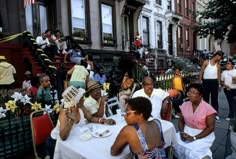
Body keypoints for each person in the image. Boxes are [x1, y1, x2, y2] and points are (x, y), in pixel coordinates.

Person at [46, 89, 116, 159]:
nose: (83, 99)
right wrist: (71, 121)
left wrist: (104, 120)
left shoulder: (81, 107)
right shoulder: (65, 113)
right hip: (56, 143)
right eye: (81, 98)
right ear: (74, 101)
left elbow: (91, 118)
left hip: (73, 139)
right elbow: (63, 137)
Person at [174, 83, 216, 159]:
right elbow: (181, 121)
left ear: (200, 95)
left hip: (202, 134)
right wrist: (181, 132)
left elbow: (211, 128)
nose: (190, 95)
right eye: (189, 93)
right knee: (175, 142)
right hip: (186, 131)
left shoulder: (208, 109)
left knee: (194, 150)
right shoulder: (185, 105)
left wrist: (194, 138)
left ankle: (205, 157)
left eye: (194, 93)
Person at [199, 50, 224, 122]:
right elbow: (201, 71)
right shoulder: (206, 62)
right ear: (216, 55)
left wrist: (219, 84)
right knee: (205, 98)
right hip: (206, 82)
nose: (220, 58)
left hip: (214, 82)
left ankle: (215, 114)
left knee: (215, 99)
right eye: (219, 57)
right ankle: (204, 114)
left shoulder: (218, 65)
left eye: (221, 57)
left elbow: (218, 75)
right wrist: (200, 80)